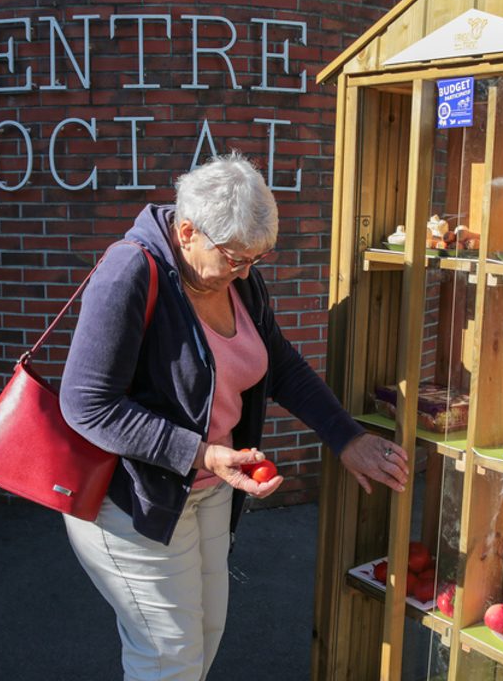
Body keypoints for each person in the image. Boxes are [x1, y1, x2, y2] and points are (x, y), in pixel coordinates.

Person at [59, 152, 409, 681]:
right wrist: (198, 452)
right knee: (168, 655)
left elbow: (281, 366)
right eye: (235, 257)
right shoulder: (127, 272)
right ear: (187, 230)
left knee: (203, 639)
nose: (244, 271)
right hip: (134, 500)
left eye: (256, 259)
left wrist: (344, 436)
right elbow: (86, 403)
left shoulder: (237, 280)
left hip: (209, 490)